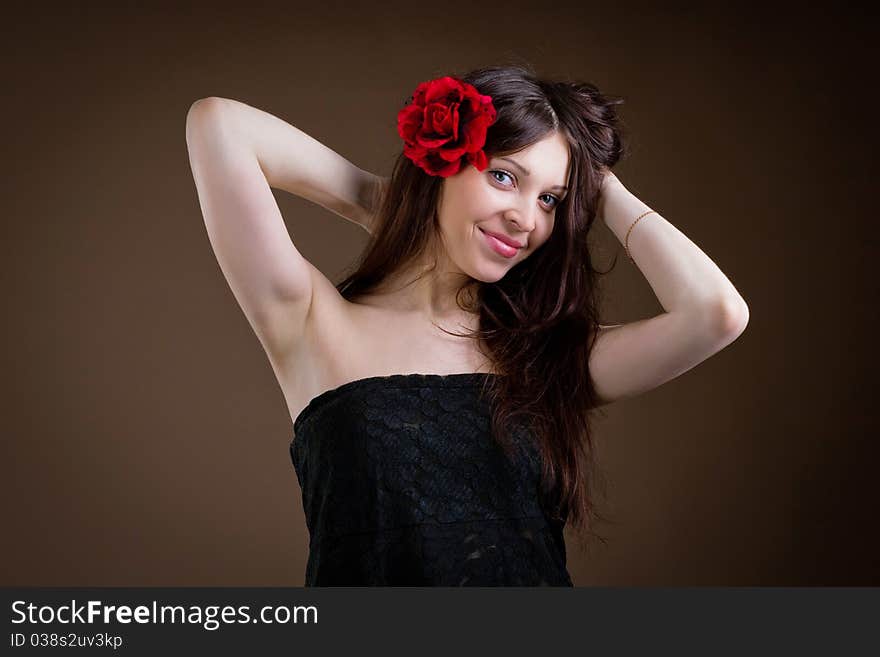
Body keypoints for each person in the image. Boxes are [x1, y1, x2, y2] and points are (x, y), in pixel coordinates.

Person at [185, 63, 749, 586]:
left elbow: (716, 314)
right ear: (441, 163)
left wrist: (603, 189)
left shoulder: (543, 356)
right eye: (504, 176)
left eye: (552, 199)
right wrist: (391, 204)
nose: (526, 218)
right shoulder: (311, 319)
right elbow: (220, 124)